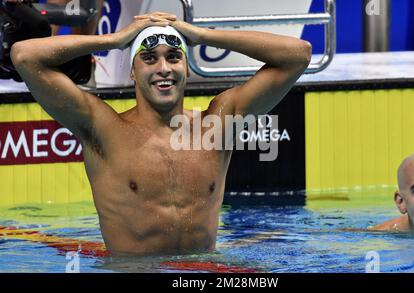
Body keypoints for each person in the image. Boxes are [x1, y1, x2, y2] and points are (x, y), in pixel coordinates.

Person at [11, 11, 312, 254]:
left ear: (187, 67)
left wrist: (202, 35)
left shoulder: (217, 124)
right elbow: (24, 55)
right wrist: (114, 40)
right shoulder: (103, 128)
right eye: (149, 58)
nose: (163, 68)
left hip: (200, 274)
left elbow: (298, 54)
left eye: (174, 56)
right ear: (133, 70)